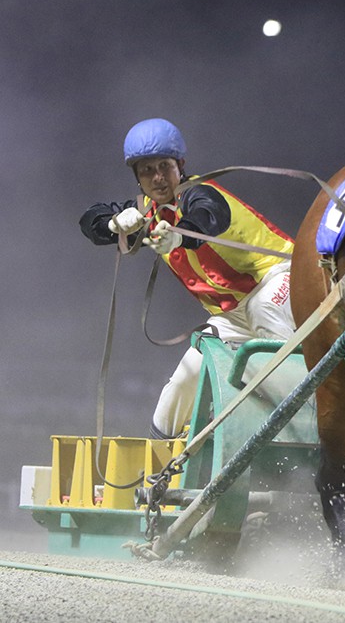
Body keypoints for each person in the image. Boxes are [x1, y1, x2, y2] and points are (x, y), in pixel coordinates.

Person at [79, 118, 296, 439]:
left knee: (272, 340)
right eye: (147, 170)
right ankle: (159, 479)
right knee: (181, 384)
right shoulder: (146, 211)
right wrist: (112, 224)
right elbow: (89, 221)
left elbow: (207, 217)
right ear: (137, 178)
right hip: (230, 316)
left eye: (164, 166)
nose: (157, 178)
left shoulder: (200, 193)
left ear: (180, 166)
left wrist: (180, 237)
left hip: (275, 281)